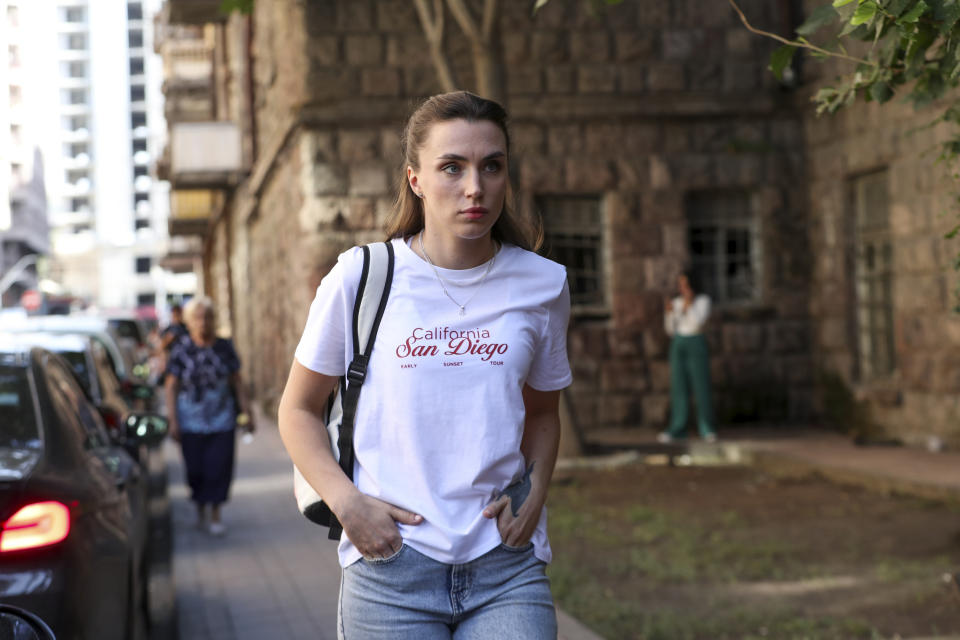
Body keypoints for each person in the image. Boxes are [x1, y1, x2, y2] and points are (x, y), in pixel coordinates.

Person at [278, 90, 572, 639]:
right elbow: (298, 409)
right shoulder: (360, 278)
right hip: (391, 569)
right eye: (451, 168)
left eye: (492, 166)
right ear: (415, 179)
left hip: (505, 566)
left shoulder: (542, 283)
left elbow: (543, 414)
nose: (474, 187)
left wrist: (535, 496)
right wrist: (347, 506)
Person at [164, 297, 255, 536]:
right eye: (197, 318)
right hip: (190, 421)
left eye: (208, 317)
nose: (203, 322)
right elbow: (171, 385)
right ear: (189, 321)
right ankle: (200, 507)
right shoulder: (181, 348)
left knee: (219, 467)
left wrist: (247, 412)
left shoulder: (224, 347)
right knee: (195, 469)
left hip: (221, 419)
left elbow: (237, 381)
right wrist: (172, 419)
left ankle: (215, 513)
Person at [658, 272, 718, 443]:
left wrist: (689, 305)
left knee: (701, 385)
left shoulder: (703, 301)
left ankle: (706, 427)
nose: (682, 289)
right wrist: (670, 314)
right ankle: (678, 427)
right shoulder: (676, 302)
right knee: (679, 386)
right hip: (679, 343)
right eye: (680, 285)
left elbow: (698, 322)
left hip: (696, 341)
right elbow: (670, 330)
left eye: (685, 285)